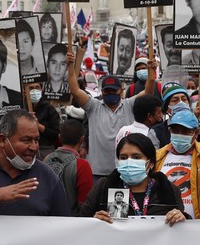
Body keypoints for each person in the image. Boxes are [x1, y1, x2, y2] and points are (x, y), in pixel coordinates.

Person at [67, 50, 156, 180]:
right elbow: (75, 90)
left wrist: (151, 74)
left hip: (124, 170)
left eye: (113, 90)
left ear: (120, 90)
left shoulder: (129, 105)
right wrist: (70, 66)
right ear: (102, 92)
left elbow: (148, 92)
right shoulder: (93, 106)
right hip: (97, 172)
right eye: (106, 91)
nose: (110, 93)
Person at [81, 133, 186, 225]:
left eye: (136, 157)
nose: (128, 162)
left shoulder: (168, 190)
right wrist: (94, 221)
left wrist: (181, 218)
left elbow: (183, 228)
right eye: (123, 157)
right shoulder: (103, 187)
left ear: (151, 163)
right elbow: (79, 221)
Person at [44, 119, 93, 215]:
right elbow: (85, 204)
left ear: (59, 138)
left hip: (47, 219)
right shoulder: (82, 165)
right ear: (82, 139)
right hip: (72, 222)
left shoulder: (46, 160)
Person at [26, 82, 60, 159]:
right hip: (26, 149)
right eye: (31, 88)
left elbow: (55, 134)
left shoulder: (49, 108)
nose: (34, 91)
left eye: (37, 87)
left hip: (45, 149)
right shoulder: (22, 107)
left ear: (41, 89)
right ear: (25, 91)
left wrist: (38, 125)